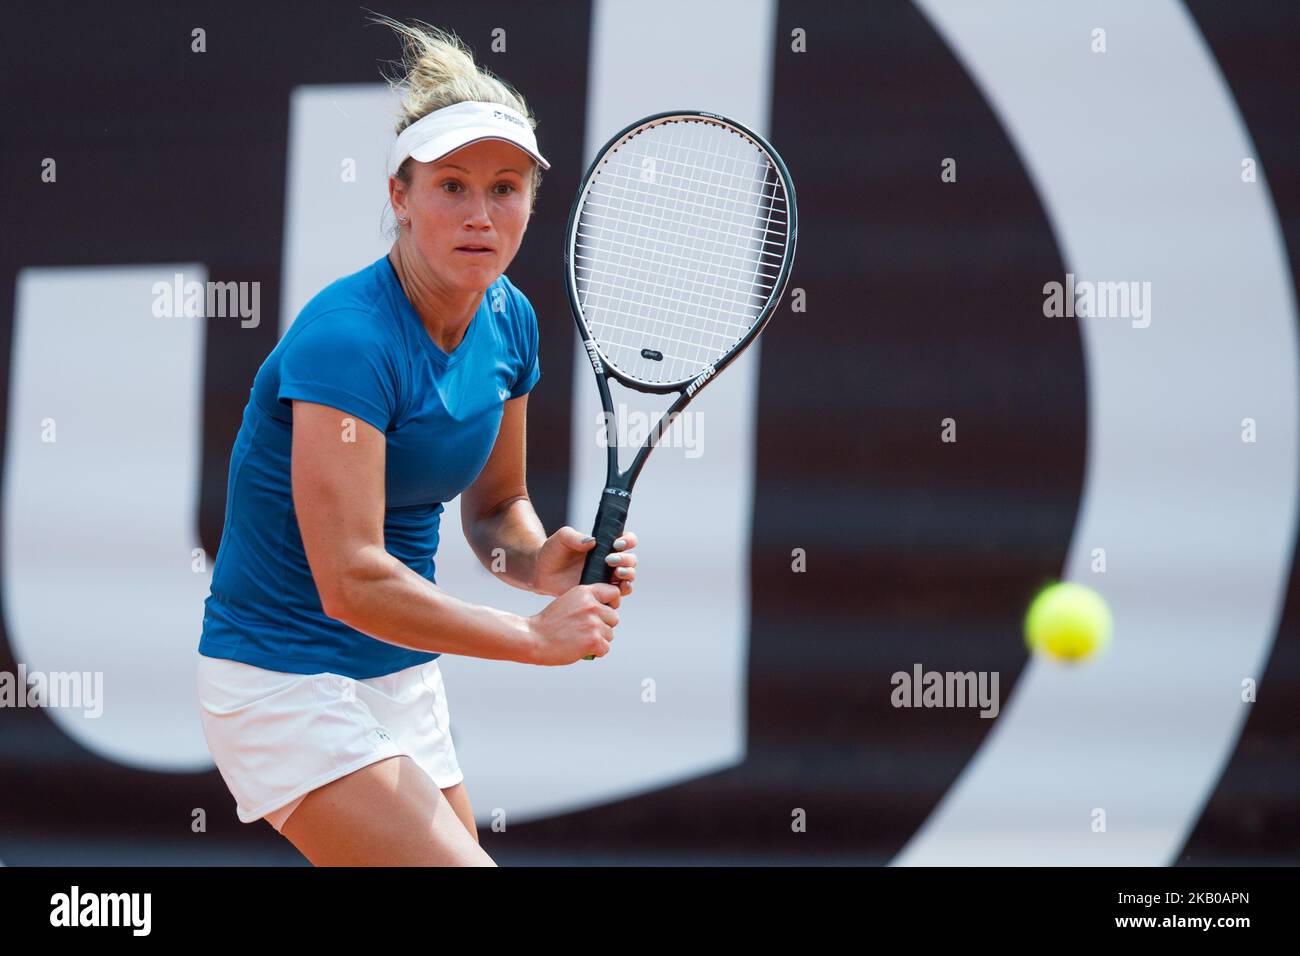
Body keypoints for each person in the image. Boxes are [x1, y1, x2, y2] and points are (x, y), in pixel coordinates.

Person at [195, 18, 637, 866]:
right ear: (400, 197)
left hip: (396, 679)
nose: (481, 214)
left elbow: (496, 511)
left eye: (506, 188)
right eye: (452, 186)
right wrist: (534, 639)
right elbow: (351, 580)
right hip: (282, 682)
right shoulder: (348, 340)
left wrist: (538, 561)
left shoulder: (511, 323)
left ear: (530, 203)